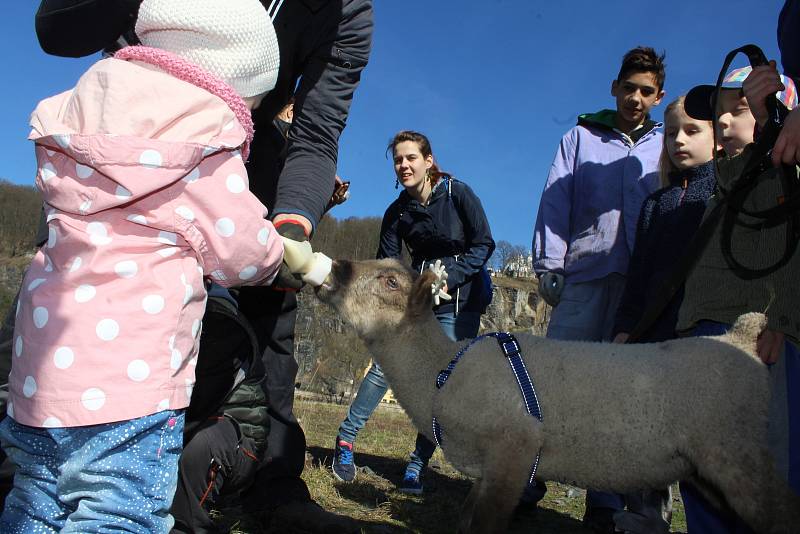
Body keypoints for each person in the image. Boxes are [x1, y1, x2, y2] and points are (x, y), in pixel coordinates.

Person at [28, 0, 374, 525]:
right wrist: (277, 252)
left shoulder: (347, 14)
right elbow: (56, 24)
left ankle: (270, 486)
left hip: (126, 144)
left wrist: (292, 220)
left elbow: (318, 129)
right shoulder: (206, 172)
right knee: (117, 504)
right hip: (167, 119)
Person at [0, 0, 286, 531]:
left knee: (34, 501)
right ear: (229, 85)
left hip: (41, 373)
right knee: (118, 510)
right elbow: (245, 254)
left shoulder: (84, 115)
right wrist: (277, 256)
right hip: (133, 385)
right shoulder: (201, 145)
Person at [532, 46, 666, 532]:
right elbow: (555, 197)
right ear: (614, 88)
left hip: (639, 285)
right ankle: (526, 473)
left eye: (645, 91)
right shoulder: (581, 136)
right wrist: (550, 263)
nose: (635, 97)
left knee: (621, 393)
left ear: (658, 96)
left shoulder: (664, 142)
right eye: (628, 87)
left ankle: (605, 502)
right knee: (554, 379)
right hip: (584, 273)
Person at [331, 130, 495, 495]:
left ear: (428, 161)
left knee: (443, 382)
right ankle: (345, 442)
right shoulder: (397, 212)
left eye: (411, 158)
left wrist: (450, 276)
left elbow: (484, 243)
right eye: (398, 160)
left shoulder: (458, 194)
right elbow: (387, 263)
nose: (404, 165)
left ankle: (417, 465)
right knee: (386, 367)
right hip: (416, 297)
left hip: (461, 297)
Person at [677, 65, 800, 533]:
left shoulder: (787, 175)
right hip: (705, 338)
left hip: (760, 343)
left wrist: (786, 317)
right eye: (719, 112)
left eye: (740, 107)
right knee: (705, 472)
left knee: (765, 476)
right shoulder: (722, 183)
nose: (723, 121)